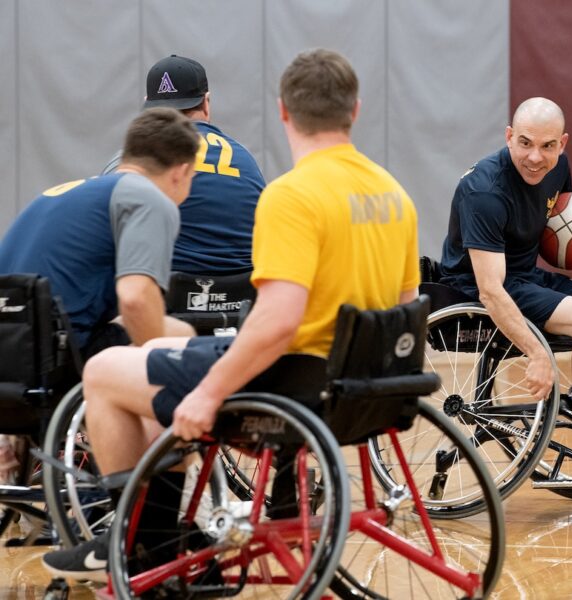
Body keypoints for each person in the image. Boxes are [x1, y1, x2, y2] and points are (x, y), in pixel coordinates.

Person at [41, 48, 420, 583]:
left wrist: (209, 393)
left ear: (284, 112)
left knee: (107, 372)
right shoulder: (395, 195)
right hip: (367, 386)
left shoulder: (293, 196)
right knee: (157, 366)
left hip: (292, 378)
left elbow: (280, 322)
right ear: (355, 110)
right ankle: (192, 527)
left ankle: (133, 541)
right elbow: (404, 310)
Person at [438, 97, 572, 460]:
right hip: (477, 288)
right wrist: (537, 354)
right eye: (525, 143)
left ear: (561, 144)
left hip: (528, 277)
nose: (535, 157)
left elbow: (567, 215)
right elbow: (490, 290)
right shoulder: (484, 191)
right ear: (509, 136)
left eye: (547, 146)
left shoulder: (557, 167)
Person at [0, 107, 199, 359]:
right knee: (181, 334)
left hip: (13, 347)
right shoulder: (150, 198)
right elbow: (135, 298)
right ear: (181, 172)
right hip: (55, 354)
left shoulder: (73, 191)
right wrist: (159, 367)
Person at [103, 55, 266, 275]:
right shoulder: (245, 158)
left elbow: (102, 225)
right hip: (242, 298)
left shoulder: (136, 158)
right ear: (206, 103)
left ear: (149, 109)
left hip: (164, 297)